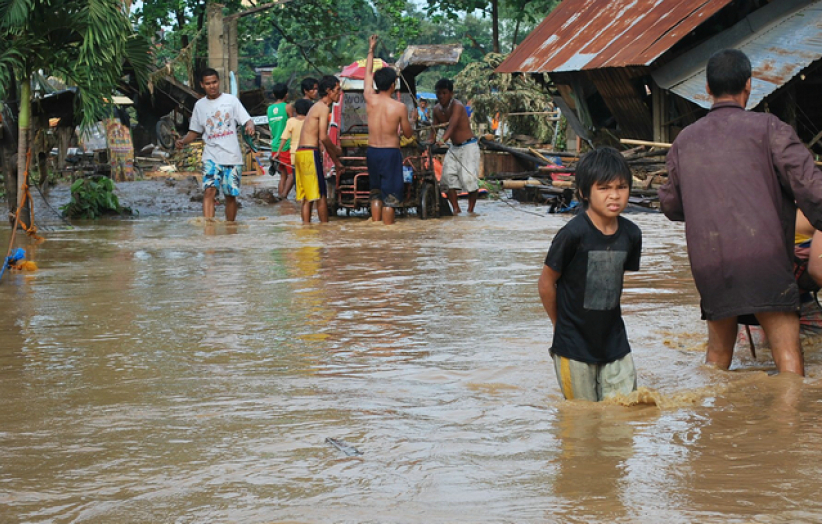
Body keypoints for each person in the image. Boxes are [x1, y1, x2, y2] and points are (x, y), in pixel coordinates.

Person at [659, 49, 822, 376]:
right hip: (764, 263)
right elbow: (813, 191)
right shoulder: (770, 129)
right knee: (788, 357)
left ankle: (719, 423)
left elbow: (671, 205)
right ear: (749, 85)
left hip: (710, 264)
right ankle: (789, 426)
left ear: (707, 88)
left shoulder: (684, 141)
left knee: (717, 357)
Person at [537, 147, 642, 401]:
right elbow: (546, 283)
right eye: (604, 188)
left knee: (623, 417)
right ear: (584, 192)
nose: (614, 196)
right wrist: (559, 326)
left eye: (621, 187)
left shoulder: (631, 235)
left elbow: (615, 281)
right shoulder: (572, 234)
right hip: (573, 345)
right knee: (581, 424)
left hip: (615, 342)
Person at [176, 68, 254, 222]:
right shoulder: (200, 105)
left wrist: (250, 125)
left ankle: (230, 228)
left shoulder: (231, 101)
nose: (212, 86)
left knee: (230, 195)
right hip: (211, 157)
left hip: (232, 157)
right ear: (202, 85)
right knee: (209, 191)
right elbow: (194, 131)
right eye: (208, 83)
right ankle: (208, 229)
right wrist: (183, 141)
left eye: (214, 82)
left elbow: (247, 119)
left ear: (219, 82)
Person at [364, 34, 413, 225]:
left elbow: (367, 74)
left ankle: (376, 232)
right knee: (390, 199)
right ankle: (387, 236)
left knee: (375, 194)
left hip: (372, 152)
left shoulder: (369, 98)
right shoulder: (399, 107)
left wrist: (371, 49)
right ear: (393, 85)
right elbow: (408, 134)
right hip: (390, 153)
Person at [294, 75, 344, 224]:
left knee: (308, 198)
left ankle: (307, 230)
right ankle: (324, 230)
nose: (339, 93)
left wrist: (334, 158)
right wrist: (335, 152)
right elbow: (323, 137)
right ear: (328, 91)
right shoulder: (322, 108)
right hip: (309, 153)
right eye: (337, 90)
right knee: (321, 195)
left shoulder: (316, 107)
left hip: (301, 153)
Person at [431, 78, 480, 214]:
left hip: (468, 146)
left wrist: (442, 140)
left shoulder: (457, 106)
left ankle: (471, 210)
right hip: (454, 147)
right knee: (447, 178)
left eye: (444, 93)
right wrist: (428, 143)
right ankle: (456, 209)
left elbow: (451, 127)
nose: (441, 96)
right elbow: (433, 131)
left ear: (451, 94)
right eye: (438, 93)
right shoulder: (436, 109)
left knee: (469, 179)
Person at [274, 99, 311, 200]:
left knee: (297, 179)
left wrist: (278, 152)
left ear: (295, 110)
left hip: (295, 154)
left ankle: (297, 201)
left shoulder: (291, 121)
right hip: (308, 153)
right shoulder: (310, 121)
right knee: (308, 179)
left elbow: (284, 138)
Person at [268, 83, 293, 198]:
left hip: (274, 146)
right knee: (292, 174)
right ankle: (283, 196)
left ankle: (281, 200)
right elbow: (293, 124)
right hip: (286, 145)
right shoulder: (287, 107)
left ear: (273, 94)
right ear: (286, 95)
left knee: (283, 175)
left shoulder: (269, 109)